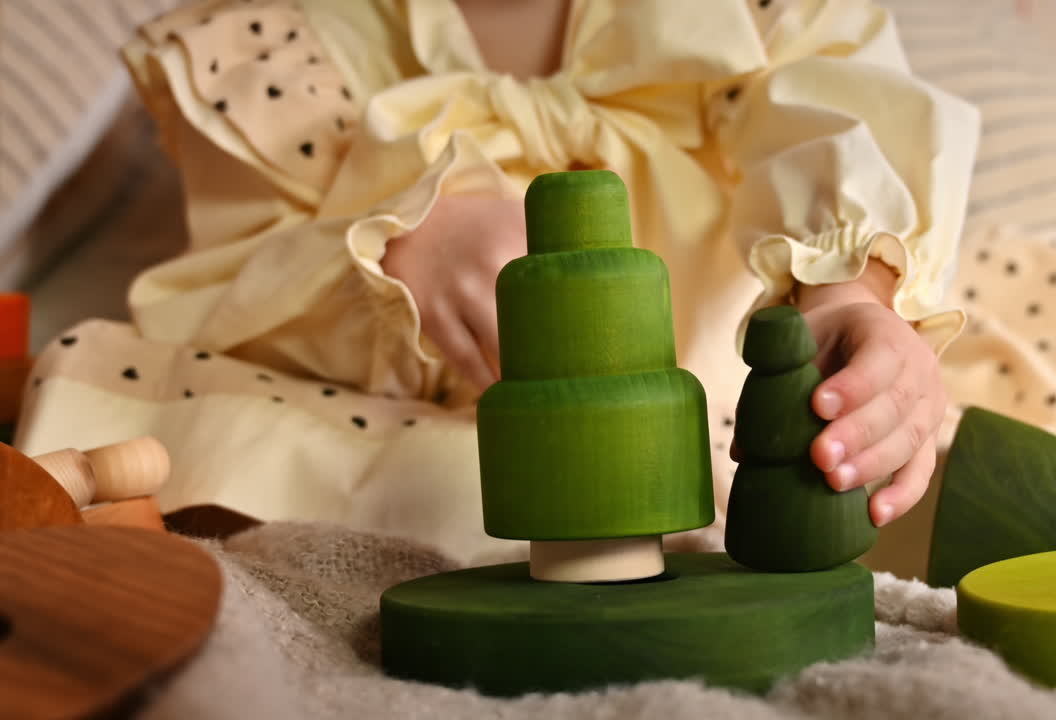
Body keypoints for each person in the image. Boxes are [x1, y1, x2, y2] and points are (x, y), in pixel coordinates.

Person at [20, 0, 982, 562]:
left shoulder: (756, 18)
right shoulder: (278, 46)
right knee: (177, 430)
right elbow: (241, 293)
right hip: (409, 422)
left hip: (723, 419)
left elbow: (832, 125)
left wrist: (850, 297)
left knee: (903, 466)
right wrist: (403, 246)